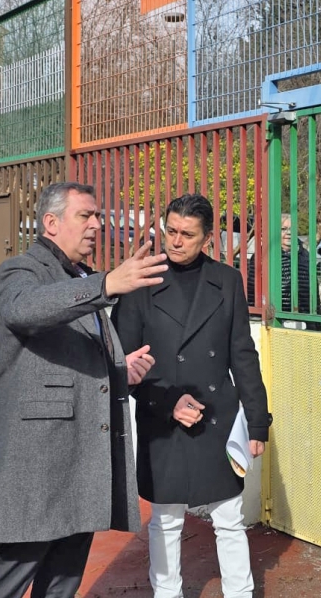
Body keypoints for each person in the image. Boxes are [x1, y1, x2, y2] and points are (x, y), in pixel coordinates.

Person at [0, 182, 169, 598]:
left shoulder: (79, 277)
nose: (97, 224)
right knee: (11, 572)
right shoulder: (20, 271)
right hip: (39, 460)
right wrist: (106, 285)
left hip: (83, 459)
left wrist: (120, 367)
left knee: (63, 580)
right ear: (51, 223)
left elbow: (76, 354)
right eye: (86, 216)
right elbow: (26, 309)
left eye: (98, 216)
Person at [112, 194, 272, 598]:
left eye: (187, 234)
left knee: (229, 517)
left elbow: (242, 353)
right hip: (161, 417)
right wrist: (167, 404)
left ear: (207, 238)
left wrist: (257, 420)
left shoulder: (228, 280)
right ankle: (166, 594)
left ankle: (240, 593)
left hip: (217, 415)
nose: (176, 241)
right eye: (170, 231)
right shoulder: (139, 282)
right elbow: (121, 365)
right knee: (165, 519)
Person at [246, 213, 316, 319]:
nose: (288, 233)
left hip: (302, 319)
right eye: (283, 229)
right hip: (274, 319)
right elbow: (253, 291)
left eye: (292, 229)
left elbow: (314, 293)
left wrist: (315, 324)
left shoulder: (306, 255)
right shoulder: (262, 256)